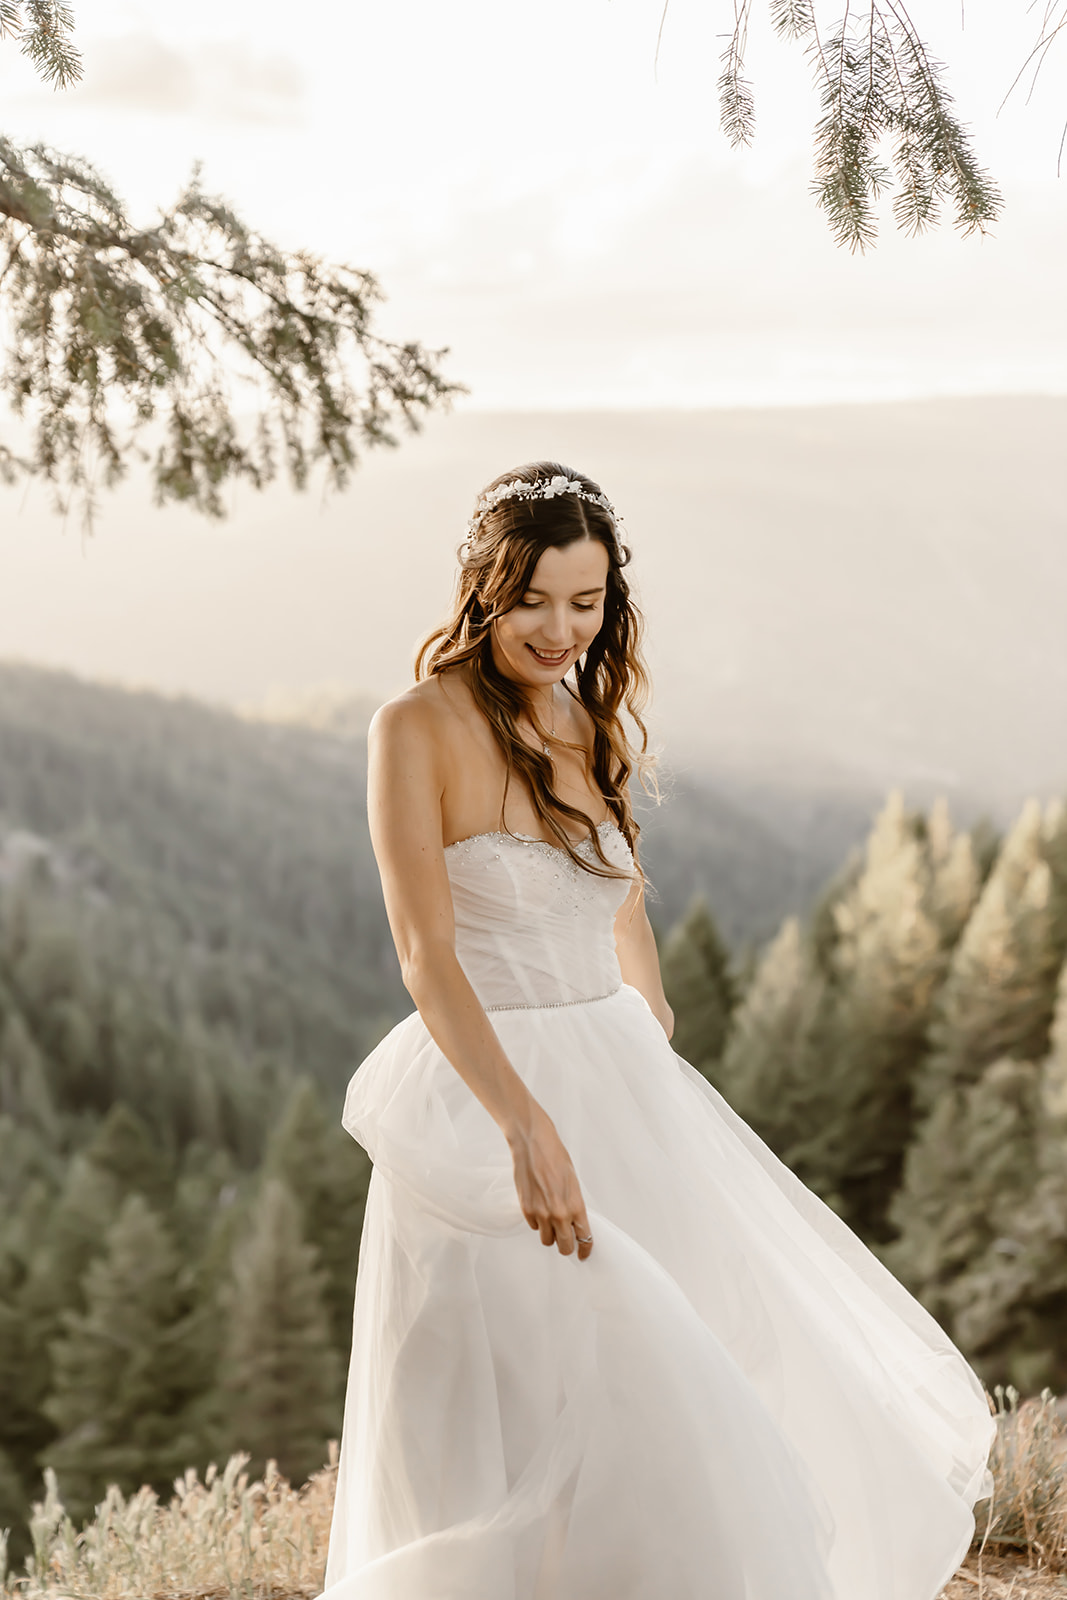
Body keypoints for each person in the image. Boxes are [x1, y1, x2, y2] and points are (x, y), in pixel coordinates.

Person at [318, 461, 996, 1600]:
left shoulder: (585, 721)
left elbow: (620, 888)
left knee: (659, 1392)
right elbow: (427, 958)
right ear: (485, 586)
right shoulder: (412, 728)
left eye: (583, 604)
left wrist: (649, 1016)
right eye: (532, 597)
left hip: (620, 1083)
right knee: (497, 1404)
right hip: (487, 1095)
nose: (557, 628)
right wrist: (523, 1126)